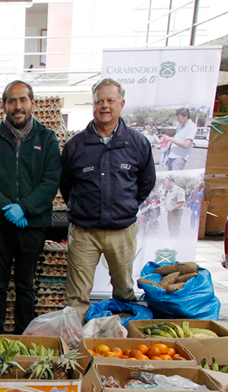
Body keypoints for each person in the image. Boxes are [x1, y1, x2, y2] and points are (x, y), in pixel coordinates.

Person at [60, 78, 156, 319]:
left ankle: (119, 338)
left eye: (110, 101)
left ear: (121, 104)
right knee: (76, 296)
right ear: (93, 105)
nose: (105, 106)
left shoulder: (137, 143)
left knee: (124, 292)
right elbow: (66, 184)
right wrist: (83, 208)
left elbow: (146, 182)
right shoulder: (75, 145)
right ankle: (76, 338)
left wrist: (126, 205)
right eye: (99, 101)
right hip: (84, 232)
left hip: (121, 231)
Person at [0, 79, 61, 334]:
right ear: (4, 106)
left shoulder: (47, 138)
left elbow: (50, 180)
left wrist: (24, 208)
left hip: (31, 225)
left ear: (33, 103)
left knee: (26, 285)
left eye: (23, 100)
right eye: (12, 101)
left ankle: (25, 337)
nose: (18, 106)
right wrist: (6, 207)